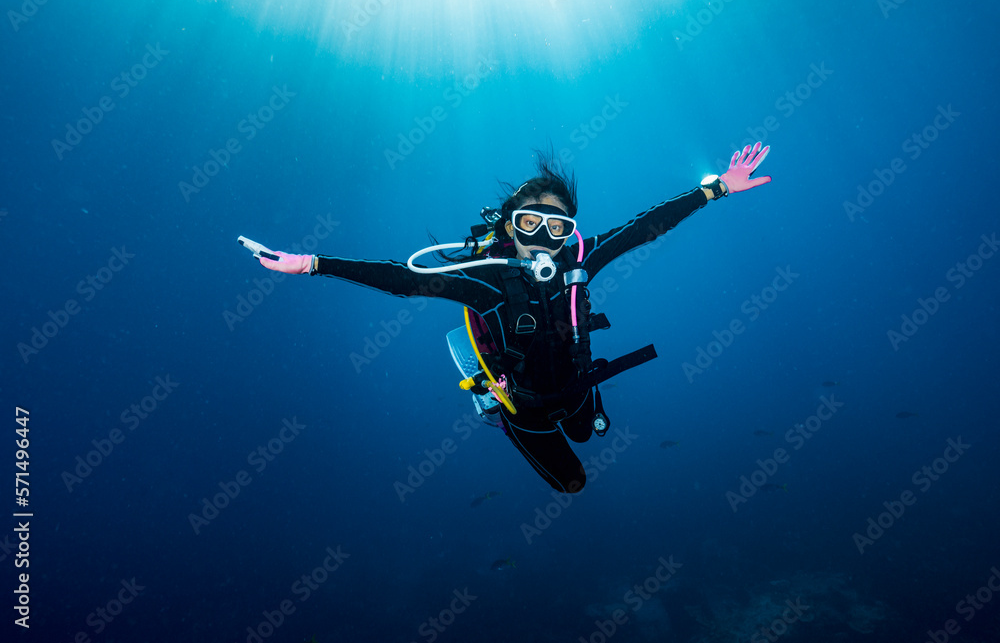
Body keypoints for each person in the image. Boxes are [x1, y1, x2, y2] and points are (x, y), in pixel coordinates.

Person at [244, 142, 772, 493]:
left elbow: (642, 228)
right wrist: (313, 264)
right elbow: (402, 280)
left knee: (590, 433)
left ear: (570, 232)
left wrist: (718, 187)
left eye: (557, 225)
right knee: (574, 485)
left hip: (578, 388)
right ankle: (493, 413)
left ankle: (581, 412)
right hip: (522, 409)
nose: (544, 238)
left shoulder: (578, 261)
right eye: (530, 222)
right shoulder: (483, 280)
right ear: (509, 227)